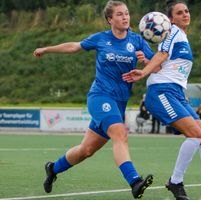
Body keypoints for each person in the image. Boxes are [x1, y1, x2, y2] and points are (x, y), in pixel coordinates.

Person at [33, 1, 154, 198]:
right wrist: (46, 49)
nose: (125, 17)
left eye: (127, 13)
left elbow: (156, 67)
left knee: (86, 150)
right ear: (110, 19)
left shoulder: (138, 41)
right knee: (120, 133)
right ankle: (134, 181)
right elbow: (74, 46)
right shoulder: (101, 39)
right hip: (100, 96)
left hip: (119, 102)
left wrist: (146, 61)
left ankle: (53, 168)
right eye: (120, 14)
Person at [122, 1, 201, 200]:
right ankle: (175, 181)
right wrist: (144, 72)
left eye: (187, 11)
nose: (185, 14)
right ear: (171, 19)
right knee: (194, 135)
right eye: (180, 12)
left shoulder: (182, 36)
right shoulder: (172, 32)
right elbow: (162, 54)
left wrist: (147, 63)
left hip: (176, 93)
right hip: (161, 92)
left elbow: (163, 63)